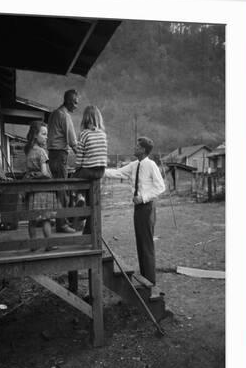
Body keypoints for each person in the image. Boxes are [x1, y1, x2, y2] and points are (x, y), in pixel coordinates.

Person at [104, 136, 165, 293]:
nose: (134, 148)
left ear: (143, 149)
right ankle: (145, 278)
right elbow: (117, 173)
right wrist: (99, 170)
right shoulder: (134, 165)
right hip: (138, 209)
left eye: (137, 146)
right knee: (140, 242)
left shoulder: (151, 165)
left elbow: (160, 187)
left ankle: (150, 281)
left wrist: (143, 197)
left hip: (147, 207)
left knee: (146, 244)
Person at [47, 89, 79, 233]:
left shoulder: (54, 114)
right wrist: (83, 157)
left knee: (57, 189)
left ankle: (58, 220)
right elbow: (73, 141)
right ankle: (62, 224)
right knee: (62, 190)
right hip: (60, 155)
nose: (76, 106)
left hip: (51, 155)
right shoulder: (64, 116)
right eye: (75, 102)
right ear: (68, 100)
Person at [24, 121, 58, 252]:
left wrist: (32, 176)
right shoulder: (42, 152)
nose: (46, 137)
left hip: (33, 191)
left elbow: (28, 170)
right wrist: (46, 176)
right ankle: (48, 244)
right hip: (44, 190)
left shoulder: (28, 151)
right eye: (43, 134)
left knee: (32, 219)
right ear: (35, 135)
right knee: (46, 219)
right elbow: (44, 173)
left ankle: (33, 245)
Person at [74, 105, 108, 233]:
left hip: (87, 170)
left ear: (85, 119)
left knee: (74, 178)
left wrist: (77, 168)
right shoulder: (103, 135)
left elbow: (79, 155)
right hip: (100, 172)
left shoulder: (84, 134)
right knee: (92, 200)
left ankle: (80, 197)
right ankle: (88, 231)